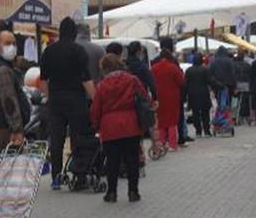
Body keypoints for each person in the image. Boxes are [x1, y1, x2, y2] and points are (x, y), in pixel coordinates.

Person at [40, 17, 96, 190]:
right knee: (78, 137)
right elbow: (86, 78)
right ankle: (78, 175)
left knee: (56, 139)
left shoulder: (49, 51)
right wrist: (95, 98)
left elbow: (43, 80)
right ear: (74, 33)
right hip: (76, 100)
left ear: (59, 31)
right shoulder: (78, 51)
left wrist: (50, 97)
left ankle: (56, 177)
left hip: (56, 100)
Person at [90, 54, 147, 203]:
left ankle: (112, 193)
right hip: (131, 124)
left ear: (105, 69)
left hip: (110, 127)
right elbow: (144, 98)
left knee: (112, 161)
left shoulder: (102, 85)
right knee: (132, 160)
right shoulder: (132, 80)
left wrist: (95, 125)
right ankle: (133, 192)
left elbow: (96, 108)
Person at [0, 30, 30, 165]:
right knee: (6, 171)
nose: (12, 47)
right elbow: (9, 102)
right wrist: (17, 129)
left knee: (2, 167)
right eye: (8, 43)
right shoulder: (1, 69)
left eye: (14, 44)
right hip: (4, 129)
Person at [151, 49, 185, 151]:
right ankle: (172, 144)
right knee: (172, 121)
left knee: (161, 121)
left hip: (158, 97)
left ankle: (162, 143)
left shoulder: (153, 68)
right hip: (172, 97)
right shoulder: (173, 68)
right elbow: (181, 81)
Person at [184, 54, 218, 137]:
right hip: (203, 93)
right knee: (205, 113)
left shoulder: (188, 70)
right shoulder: (205, 69)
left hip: (192, 94)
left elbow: (185, 83)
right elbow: (211, 81)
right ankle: (206, 131)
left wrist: (185, 95)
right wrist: (219, 86)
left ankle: (198, 131)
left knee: (195, 113)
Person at [234, 51, 252, 125]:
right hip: (246, 84)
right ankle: (246, 116)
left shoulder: (233, 65)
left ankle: (237, 117)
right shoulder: (247, 65)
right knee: (245, 101)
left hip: (237, 84)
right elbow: (251, 75)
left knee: (236, 101)